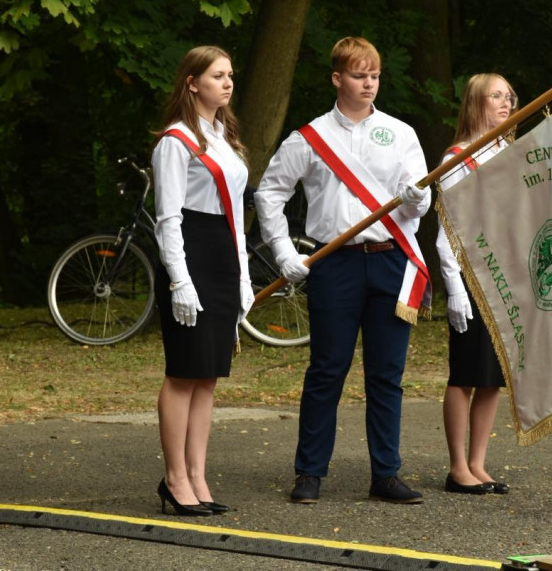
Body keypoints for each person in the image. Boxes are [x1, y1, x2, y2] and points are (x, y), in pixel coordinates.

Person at [255, 37, 432, 505]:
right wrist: (282, 250)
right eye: (358, 75)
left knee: (386, 374)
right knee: (327, 369)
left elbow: (419, 202)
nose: (368, 83)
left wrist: (418, 199)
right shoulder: (309, 137)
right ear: (337, 78)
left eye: (374, 75)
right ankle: (310, 472)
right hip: (334, 264)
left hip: (391, 259)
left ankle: (386, 474)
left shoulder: (400, 133)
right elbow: (270, 193)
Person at [150, 45, 254, 516]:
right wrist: (179, 280)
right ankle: (175, 478)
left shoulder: (224, 138)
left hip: (222, 254)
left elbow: (235, 218)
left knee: (208, 375)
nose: (227, 83)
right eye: (217, 75)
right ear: (192, 83)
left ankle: (197, 475)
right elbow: (168, 219)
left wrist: (243, 276)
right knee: (183, 372)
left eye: (230, 75)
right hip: (189, 254)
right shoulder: (175, 141)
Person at [435, 73, 516, 496]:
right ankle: (457, 467)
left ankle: (478, 463)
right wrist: (454, 287)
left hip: (504, 275)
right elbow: (448, 230)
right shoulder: (457, 158)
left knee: (492, 375)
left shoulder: (508, 153)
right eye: (496, 96)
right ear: (475, 103)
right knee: (466, 373)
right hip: (471, 275)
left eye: (509, 96)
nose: (506, 103)